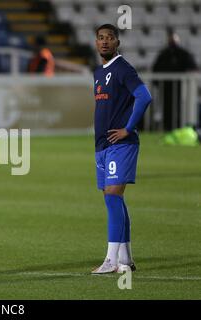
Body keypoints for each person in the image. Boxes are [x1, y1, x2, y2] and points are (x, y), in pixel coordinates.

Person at [91, 24, 152, 274]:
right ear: (96, 43)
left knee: (113, 197)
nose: (105, 42)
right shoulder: (98, 72)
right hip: (102, 146)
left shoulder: (123, 68)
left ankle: (111, 260)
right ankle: (125, 259)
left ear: (117, 42)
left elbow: (144, 96)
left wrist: (128, 128)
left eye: (110, 38)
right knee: (113, 198)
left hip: (121, 144)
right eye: (101, 38)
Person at [152, 32, 197, 131]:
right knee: (167, 108)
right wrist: (157, 84)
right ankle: (168, 127)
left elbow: (193, 68)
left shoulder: (184, 54)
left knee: (180, 107)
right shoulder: (163, 54)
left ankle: (181, 127)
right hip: (166, 88)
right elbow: (155, 69)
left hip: (181, 88)